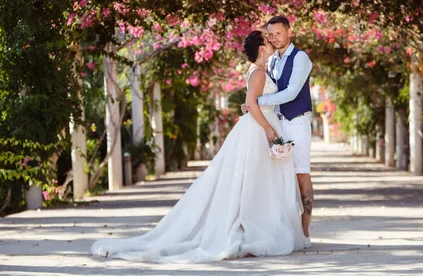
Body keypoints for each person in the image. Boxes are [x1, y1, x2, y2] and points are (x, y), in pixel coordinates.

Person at [91, 31, 305, 263]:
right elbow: (252, 105)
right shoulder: (259, 73)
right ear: (261, 49)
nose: (271, 40)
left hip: (259, 126)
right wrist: (269, 130)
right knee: (252, 182)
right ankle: (252, 228)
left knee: (260, 182)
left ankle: (262, 226)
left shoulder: (261, 71)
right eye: (267, 39)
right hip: (258, 130)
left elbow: (253, 103)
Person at [242, 15, 314, 248]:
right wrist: (253, 103)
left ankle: (304, 232)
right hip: (278, 123)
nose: (274, 37)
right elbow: (266, 88)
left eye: (278, 33)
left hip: (297, 123)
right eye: (270, 34)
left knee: (301, 174)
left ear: (289, 32)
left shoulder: (301, 58)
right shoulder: (272, 61)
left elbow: (292, 92)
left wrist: (258, 100)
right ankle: (285, 230)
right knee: (279, 177)